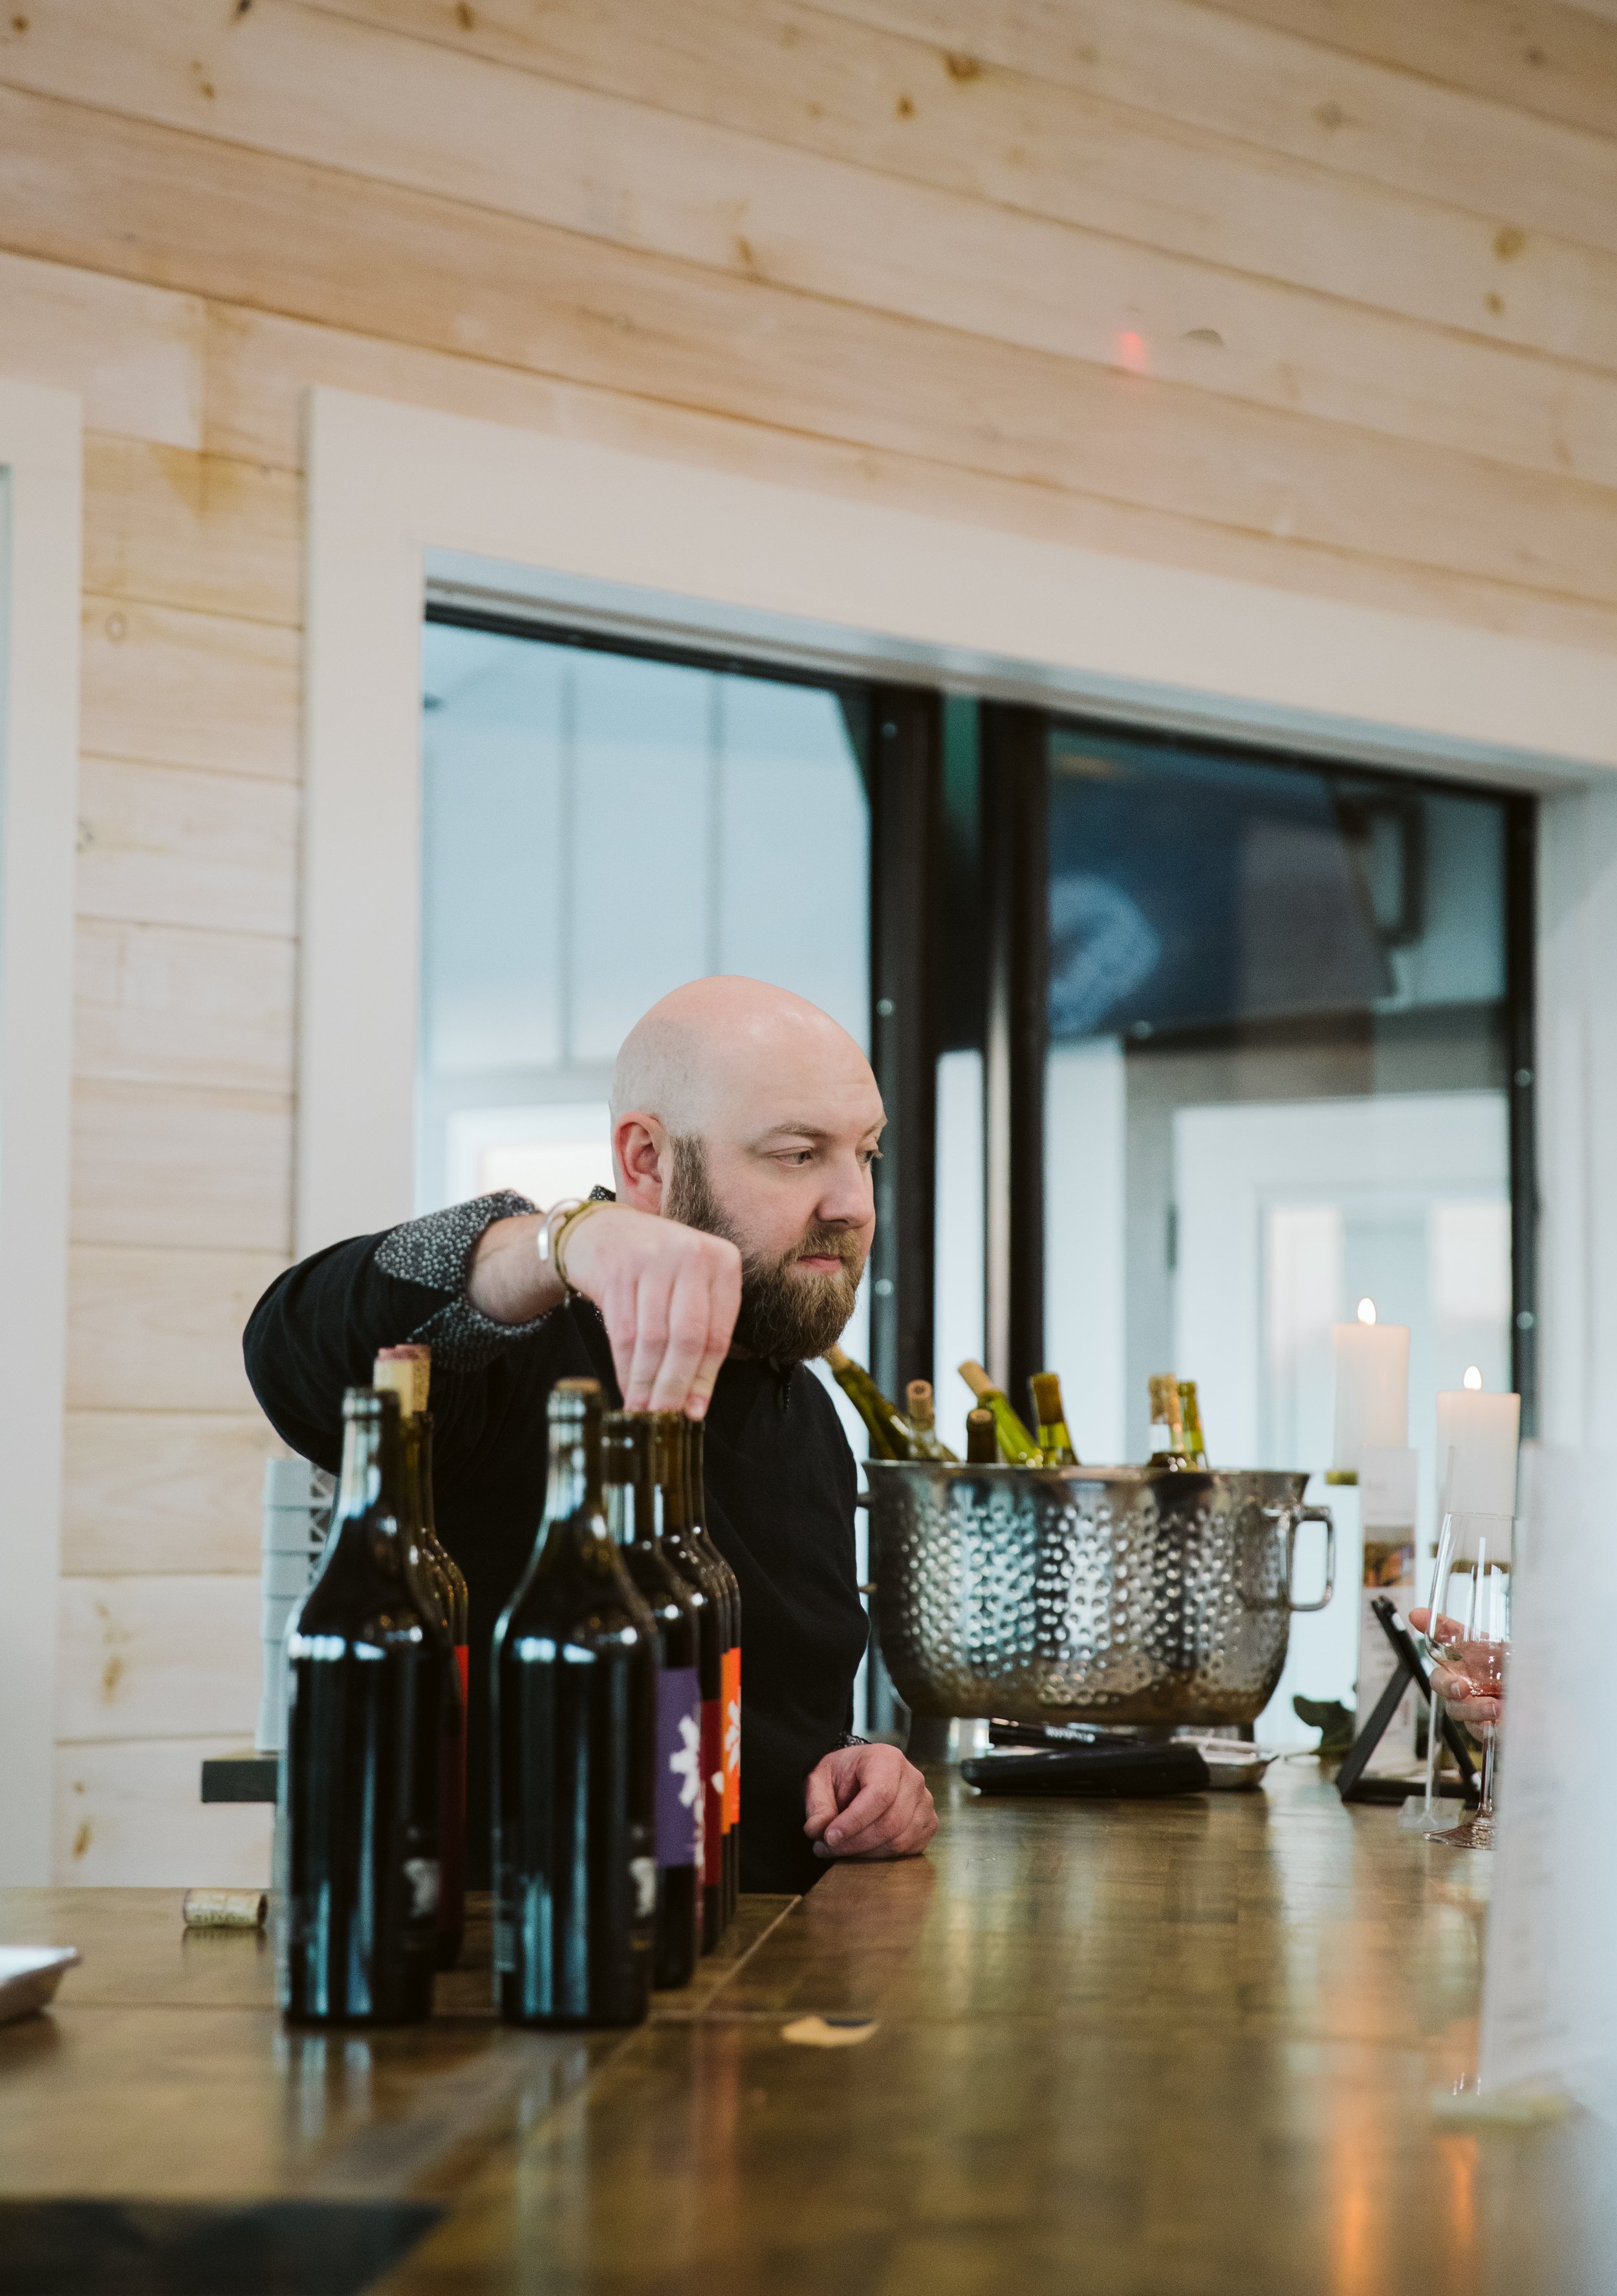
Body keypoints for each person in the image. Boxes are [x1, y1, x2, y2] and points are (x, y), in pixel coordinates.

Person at [244, 975, 937, 1894]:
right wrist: (558, 1243)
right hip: (516, 1992)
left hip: (756, 1985)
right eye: (799, 1154)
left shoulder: (805, 1415)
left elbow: (744, 1725)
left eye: (866, 1153)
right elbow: (295, 1342)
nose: (853, 1201)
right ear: (645, 1161)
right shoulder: (516, 1360)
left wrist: (857, 1766)